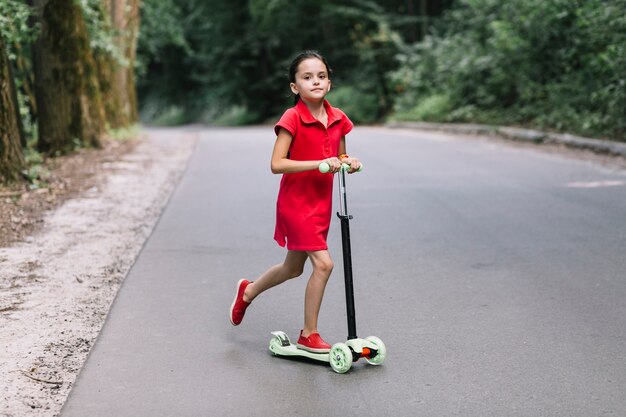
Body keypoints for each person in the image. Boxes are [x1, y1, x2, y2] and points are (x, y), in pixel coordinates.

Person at [229, 50, 361, 353]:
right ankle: (308, 334)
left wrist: (348, 162)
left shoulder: (338, 118)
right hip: (296, 202)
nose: (316, 81)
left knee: (293, 268)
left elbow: (337, 157)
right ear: (294, 87)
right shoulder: (292, 117)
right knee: (324, 265)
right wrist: (317, 163)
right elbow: (277, 163)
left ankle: (247, 292)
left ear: (329, 82)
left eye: (322, 76)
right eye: (307, 77)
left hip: (321, 204)